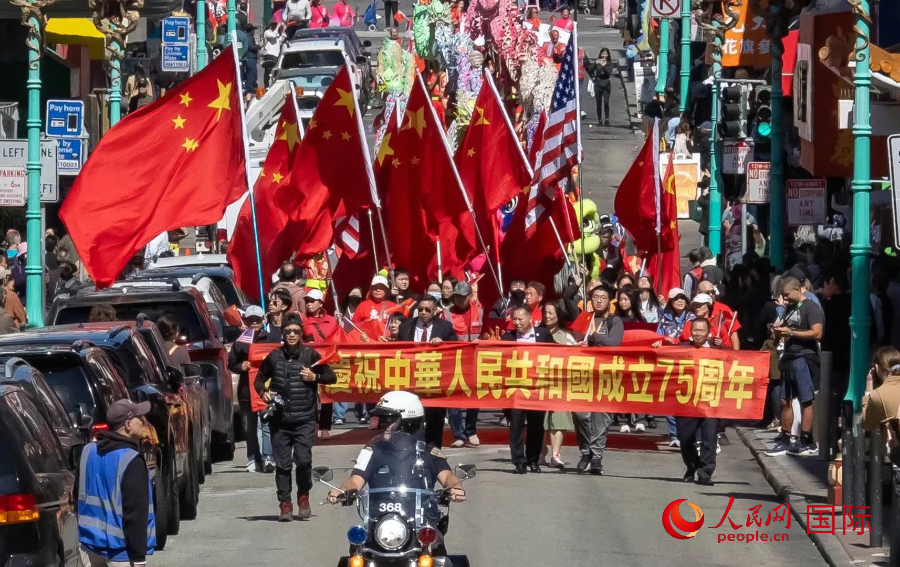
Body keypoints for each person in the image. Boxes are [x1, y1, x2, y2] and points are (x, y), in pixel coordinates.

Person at [326, 391, 466, 555]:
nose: (382, 424)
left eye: (388, 420)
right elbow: (355, 480)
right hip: (379, 522)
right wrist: (342, 490)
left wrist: (455, 487)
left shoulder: (429, 452)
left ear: (408, 421)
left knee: (439, 554)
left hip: (421, 522)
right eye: (382, 419)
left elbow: (447, 476)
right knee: (356, 552)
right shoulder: (372, 449)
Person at [256, 312, 337, 521]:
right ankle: (285, 504)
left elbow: (331, 376)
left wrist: (315, 377)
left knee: (303, 461)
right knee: (282, 466)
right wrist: (263, 392)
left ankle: (303, 496)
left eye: (296, 331)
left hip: (305, 419)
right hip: (280, 422)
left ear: (301, 334)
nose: (292, 335)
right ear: (282, 333)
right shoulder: (274, 357)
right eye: (288, 331)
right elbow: (259, 380)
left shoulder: (310, 356)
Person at [77, 399, 155, 567]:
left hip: (89, 546)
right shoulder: (131, 460)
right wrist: (139, 559)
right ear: (128, 424)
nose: (143, 422)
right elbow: (135, 514)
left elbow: (77, 496)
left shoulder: (87, 452)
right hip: (120, 552)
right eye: (138, 418)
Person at [766, 277, 824, 457]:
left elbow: (817, 333)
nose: (785, 298)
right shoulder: (790, 309)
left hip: (804, 357)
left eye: (787, 294)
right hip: (789, 357)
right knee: (785, 399)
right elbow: (784, 329)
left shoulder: (812, 308)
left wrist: (791, 332)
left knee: (806, 398)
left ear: (797, 290)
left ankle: (805, 440)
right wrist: (777, 331)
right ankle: (786, 437)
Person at [398, 295, 458, 448]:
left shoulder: (445, 327)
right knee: (410, 417)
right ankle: (410, 449)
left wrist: (443, 344)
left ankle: (433, 452)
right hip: (411, 379)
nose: (423, 312)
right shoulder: (406, 326)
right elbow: (397, 348)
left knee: (435, 419)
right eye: (420, 309)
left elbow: (456, 350)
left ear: (435, 311)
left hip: (434, 378)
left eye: (427, 310)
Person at [502, 306, 555, 474]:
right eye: (514, 319)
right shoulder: (507, 338)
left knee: (536, 425)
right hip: (515, 388)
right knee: (516, 425)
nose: (516, 323)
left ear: (530, 318)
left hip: (536, 387)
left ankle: (533, 459)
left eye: (520, 319)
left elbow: (558, 352)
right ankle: (519, 460)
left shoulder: (543, 335)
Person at [228, 305, 275, 473]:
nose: (254, 323)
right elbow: (231, 364)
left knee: (266, 424)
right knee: (250, 426)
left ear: (263, 320)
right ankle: (253, 458)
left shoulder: (271, 340)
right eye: (251, 320)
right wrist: (241, 365)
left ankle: (269, 456)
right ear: (246, 321)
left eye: (257, 320)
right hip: (246, 391)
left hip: (265, 390)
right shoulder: (240, 342)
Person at [676, 317, 718, 485]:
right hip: (687, 401)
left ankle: (705, 472)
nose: (698, 334)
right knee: (685, 437)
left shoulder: (719, 351)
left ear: (708, 333)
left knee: (709, 437)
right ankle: (692, 464)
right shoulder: (681, 349)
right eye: (695, 330)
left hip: (710, 401)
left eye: (701, 330)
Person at [542, 302, 576, 468]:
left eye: (551, 313)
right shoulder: (538, 334)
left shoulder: (567, 337)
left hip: (560, 383)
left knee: (559, 418)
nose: (547, 316)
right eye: (545, 313)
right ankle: (540, 453)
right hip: (540, 382)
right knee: (540, 420)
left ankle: (556, 455)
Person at [585, 47, 614, 126]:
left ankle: (607, 119)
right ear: (600, 54)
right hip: (598, 83)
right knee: (598, 102)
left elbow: (608, 73)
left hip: (606, 83)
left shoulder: (610, 63)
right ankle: (600, 120)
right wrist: (595, 63)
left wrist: (604, 66)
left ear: (608, 55)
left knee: (606, 102)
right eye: (603, 53)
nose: (604, 55)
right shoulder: (598, 62)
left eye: (605, 53)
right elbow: (590, 70)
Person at [262, 22, 284, 87]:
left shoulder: (278, 33)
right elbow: (273, 36)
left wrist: (283, 31)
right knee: (268, 71)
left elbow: (280, 41)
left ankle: (272, 84)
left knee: (274, 71)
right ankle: (267, 86)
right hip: (269, 54)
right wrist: (277, 28)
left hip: (276, 55)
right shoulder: (267, 32)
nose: (277, 26)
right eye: (275, 25)